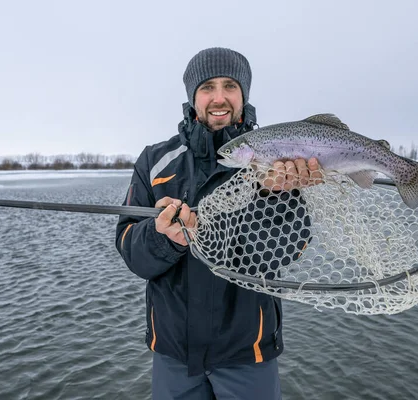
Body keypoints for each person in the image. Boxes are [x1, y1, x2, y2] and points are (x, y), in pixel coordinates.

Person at [115, 47, 321, 400]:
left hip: (249, 353)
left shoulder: (277, 159)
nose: (219, 97)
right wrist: (164, 237)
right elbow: (131, 250)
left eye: (230, 86)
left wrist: (275, 196)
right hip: (172, 353)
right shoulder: (155, 161)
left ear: (243, 95)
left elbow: (283, 253)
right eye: (208, 87)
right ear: (193, 96)